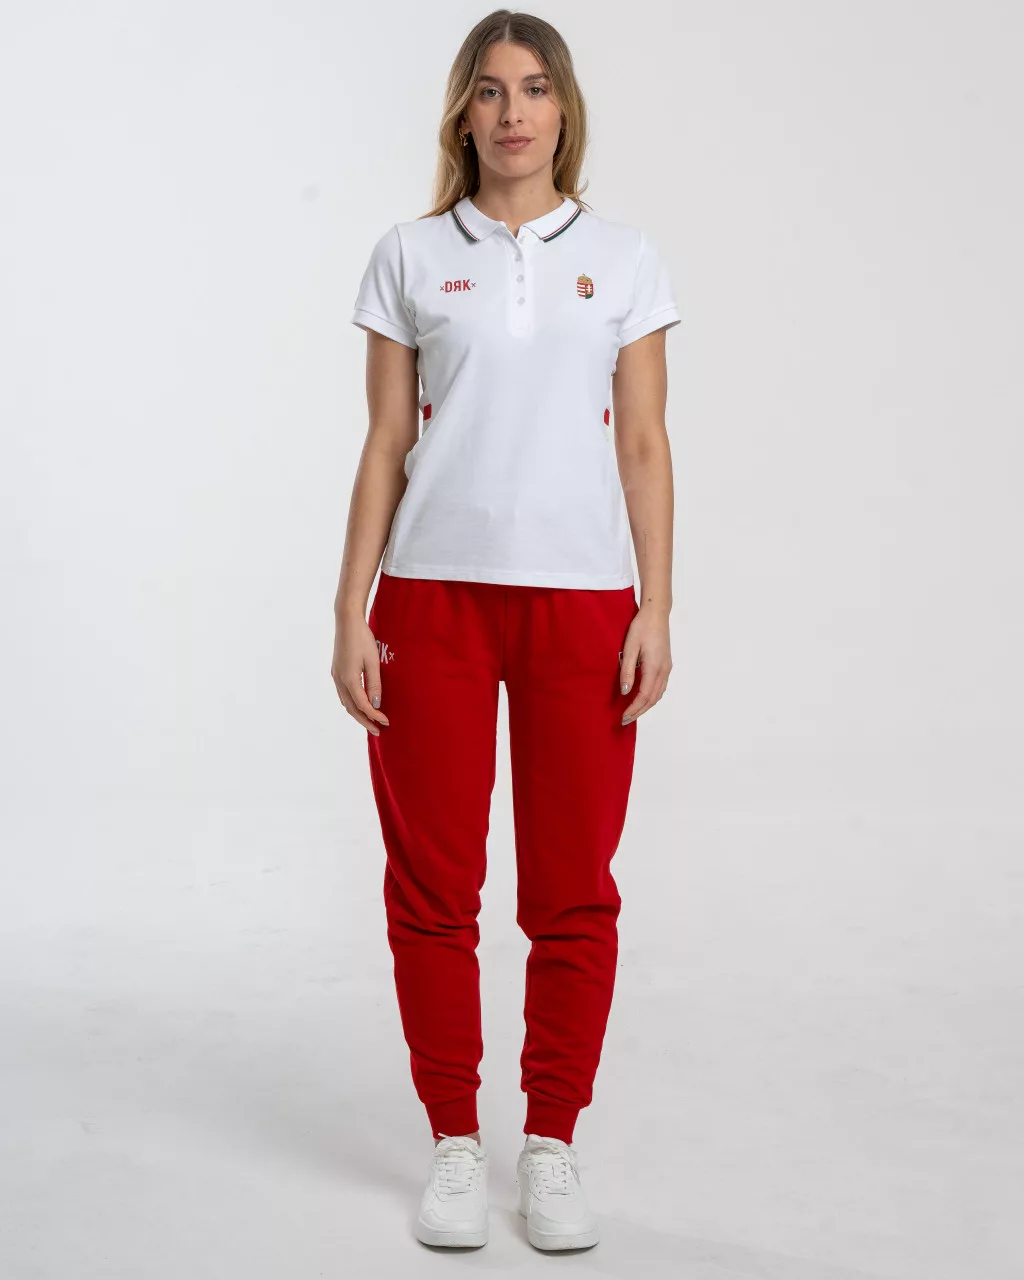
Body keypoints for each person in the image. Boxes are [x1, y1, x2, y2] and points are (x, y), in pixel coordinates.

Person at [331, 8, 680, 1253]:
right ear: (463, 113)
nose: (513, 112)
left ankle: (549, 1140)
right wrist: (350, 605)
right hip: (430, 597)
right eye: (490, 90)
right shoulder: (411, 254)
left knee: (572, 887)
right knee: (433, 887)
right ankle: (453, 1140)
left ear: (563, 109)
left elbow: (644, 445)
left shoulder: (624, 258)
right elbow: (387, 440)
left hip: (580, 601)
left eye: (534, 89)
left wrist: (656, 604)